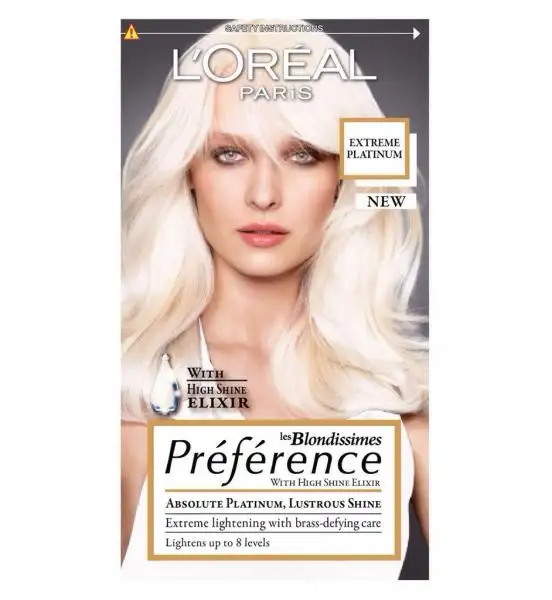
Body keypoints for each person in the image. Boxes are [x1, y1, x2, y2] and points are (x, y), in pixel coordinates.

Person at [121, 18, 429, 578]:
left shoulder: (405, 398)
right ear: (187, 170)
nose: (264, 195)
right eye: (229, 154)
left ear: (345, 177)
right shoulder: (127, 389)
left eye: (303, 154)